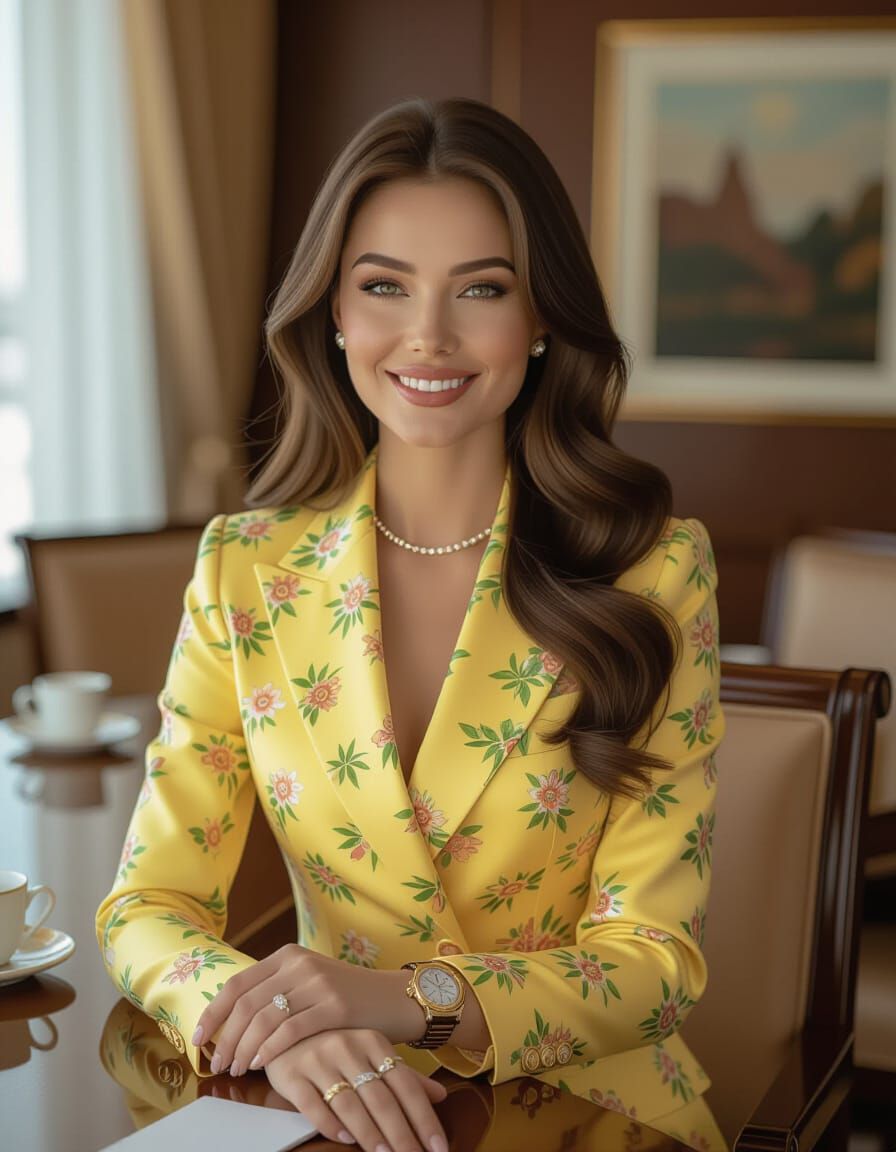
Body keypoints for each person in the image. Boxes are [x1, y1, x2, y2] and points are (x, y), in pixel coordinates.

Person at [96, 96, 725, 1152]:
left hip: (597, 1116)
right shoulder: (244, 570)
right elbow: (146, 907)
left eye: (481, 288)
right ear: (335, 313)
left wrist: (399, 999)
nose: (427, 334)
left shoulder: (657, 572)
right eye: (384, 285)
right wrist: (274, 1025)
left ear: (540, 319)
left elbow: (656, 965)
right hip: (325, 1115)